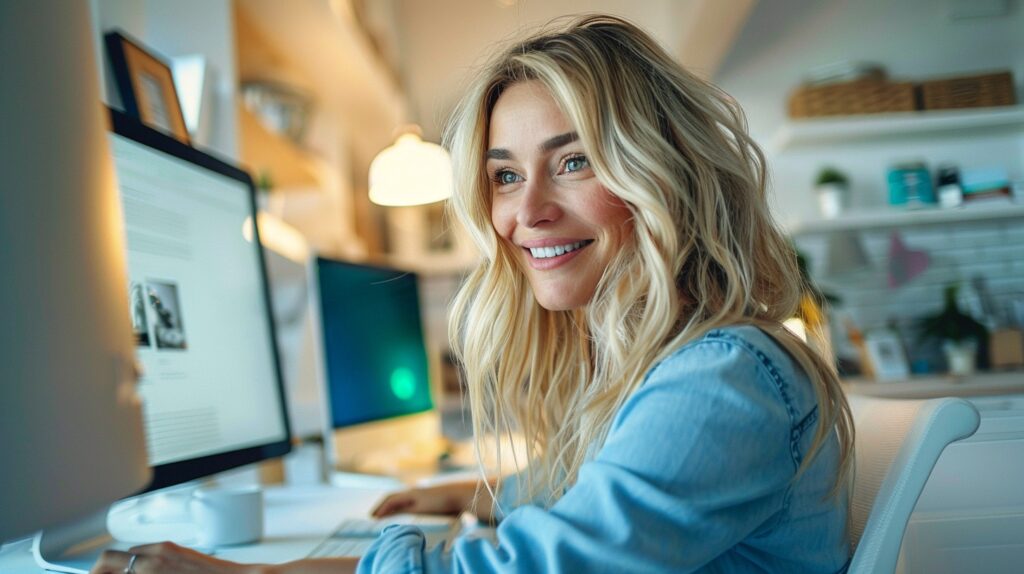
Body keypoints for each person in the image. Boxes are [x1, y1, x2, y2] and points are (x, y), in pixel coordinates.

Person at [92, 14, 854, 574]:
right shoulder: (688, 369)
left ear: (662, 173)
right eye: (506, 175)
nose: (526, 214)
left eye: (576, 161)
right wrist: (485, 495)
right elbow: (610, 495)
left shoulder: (722, 378)